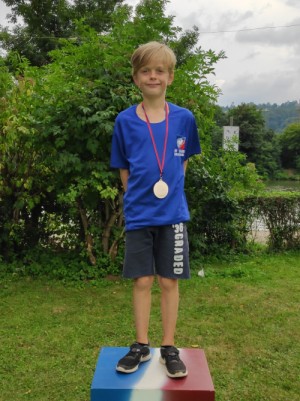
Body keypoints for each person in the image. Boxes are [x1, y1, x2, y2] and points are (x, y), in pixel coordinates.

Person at [110, 41, 201, 378]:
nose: (153, 76)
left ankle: (168, 347)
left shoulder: (184, 119)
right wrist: (139, 201)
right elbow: (124, 171)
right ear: (135, 78)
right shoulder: (124, 121)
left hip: (173, 216)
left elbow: (184, 163)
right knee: (142, 280)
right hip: (139, 216)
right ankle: (141, 345)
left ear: (170, 77)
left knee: (169, 281)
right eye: (145, 71)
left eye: (159, 71)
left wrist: (170, 196)